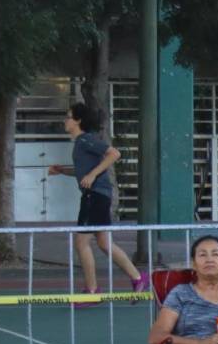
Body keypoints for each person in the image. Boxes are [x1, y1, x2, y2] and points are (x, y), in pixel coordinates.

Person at [46, 102, 146, 298]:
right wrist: (62, 171)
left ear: (78, 121)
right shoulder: (81, 144)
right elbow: (83, 172)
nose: (64, 121)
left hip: (95, 195)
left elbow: (114, 154)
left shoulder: (85, 140)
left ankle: (92, 290)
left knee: (81, 242)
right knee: (104, 243)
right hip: (97, 195)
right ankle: (137, 278)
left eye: (68, 117)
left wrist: (92, 175)